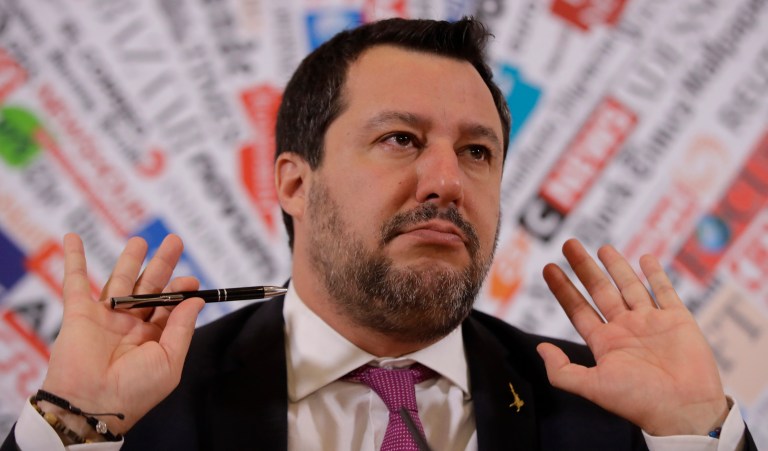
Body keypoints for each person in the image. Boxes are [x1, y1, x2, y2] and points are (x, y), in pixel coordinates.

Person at [1, 17, 756, 451]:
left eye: (476, 151)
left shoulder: (615, 416)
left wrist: (695, 430)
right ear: (295, 181)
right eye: (400, 139)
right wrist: (72, 424)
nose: (446, 180)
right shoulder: (137, 411)